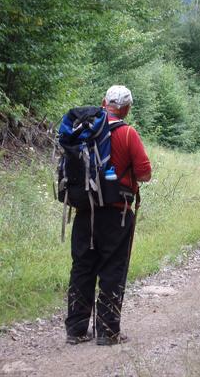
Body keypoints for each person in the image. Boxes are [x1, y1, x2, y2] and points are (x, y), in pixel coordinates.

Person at [65, 85, 151, 345]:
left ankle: (76, 330)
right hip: (117, 213)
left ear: (103, 102)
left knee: (82, 267)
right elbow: (145, 173)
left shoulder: (84, 130)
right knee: (112, 268)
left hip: (84, 209)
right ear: (127, 108)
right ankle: (107, 331)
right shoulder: (127, 134)